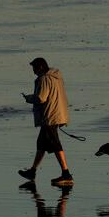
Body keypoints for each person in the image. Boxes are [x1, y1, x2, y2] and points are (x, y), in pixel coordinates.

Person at [19, 57, 74, 185]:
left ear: (41, 68)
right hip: (58, 113)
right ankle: (32, 172)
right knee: (41, 144)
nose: (33, 72)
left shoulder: (44, 79)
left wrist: (28, 98)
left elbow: (41, 98)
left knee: (55, 144)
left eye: (34, 68)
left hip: (50, 116)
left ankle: (66, 174)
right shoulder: (57, 77)